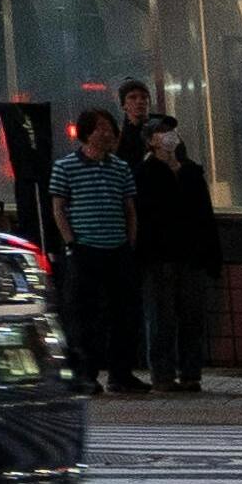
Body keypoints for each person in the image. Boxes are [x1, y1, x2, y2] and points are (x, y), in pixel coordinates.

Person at [43, 112, 146, 393]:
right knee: (84, 315)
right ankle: (86, 374)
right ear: (87, 133)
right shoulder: (65, 167)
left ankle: (121, 374)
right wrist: (71, 242)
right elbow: (58, 208)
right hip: (85, 250)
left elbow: (130, 209)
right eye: (101, 129)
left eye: (110, 128)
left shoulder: (120, 167)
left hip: (117, 249)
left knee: (123, 313)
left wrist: (129, 242)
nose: (108, 133)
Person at [135, 112, 222, 392]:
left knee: (192, 316)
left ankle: (190, 373)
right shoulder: (143, 174)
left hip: (191, 254)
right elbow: (140, 217)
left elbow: (205, 215)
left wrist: (211, 254)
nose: (170, 136)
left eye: (172, 130)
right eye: (162, 132)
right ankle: (162, 375)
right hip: (159, 257)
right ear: (151, 141)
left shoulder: (191, 171)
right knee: (161, 318)